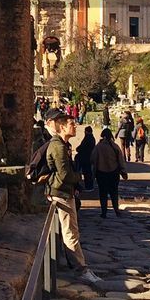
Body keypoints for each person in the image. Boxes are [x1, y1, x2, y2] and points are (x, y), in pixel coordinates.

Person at [43, 110, 101, 284]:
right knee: (71, 232)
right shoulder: (58, 146)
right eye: (71, 124)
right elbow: (65, 174)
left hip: (64, 191)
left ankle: (77, 265)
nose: (75, 126)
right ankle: (80, 269)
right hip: (61, 193)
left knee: (70, 231)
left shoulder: (62, 144)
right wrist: (79, 177)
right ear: (61, 126)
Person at [93, 127, 128, 217]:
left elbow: (93, 160)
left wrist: (93, 173)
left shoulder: (98, 147)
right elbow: (121, 160)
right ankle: (116, 210)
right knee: (114, 192)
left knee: (103, 193)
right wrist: (123, 171)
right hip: (113, 172)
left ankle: (104, 212)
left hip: (101, 173)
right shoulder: (115, 146)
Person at [76, 125, 97, 193]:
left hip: (85, 158)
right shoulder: (92, 138)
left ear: (86, 131)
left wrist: (78, 149)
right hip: (88, 157)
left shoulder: (87, 138)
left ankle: (88, 186)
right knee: (88, 172)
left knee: (86, 172)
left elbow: (82, 147)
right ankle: (89, 186)